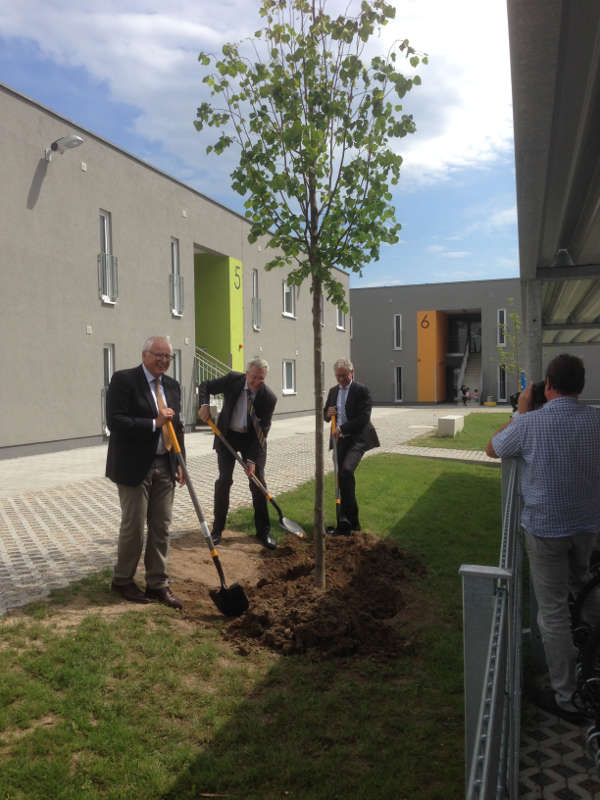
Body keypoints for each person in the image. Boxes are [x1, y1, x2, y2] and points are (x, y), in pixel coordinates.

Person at [486, 354, 600, 724]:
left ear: (548, 385)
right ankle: (592, 657)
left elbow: (493, 448)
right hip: (586, 526)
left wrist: (520, 411)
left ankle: (566, 696)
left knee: (552, 612)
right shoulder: (596, 418)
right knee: (582, 586)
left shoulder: (531, 423)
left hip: (546, 529)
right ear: (580, 385)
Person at [106, 336, 185, 608]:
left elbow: (178, 426)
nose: (163, 361)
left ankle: (157, 584)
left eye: (168, 357)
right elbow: (115, 422)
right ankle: (122, 580)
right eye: (158, 355)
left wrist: (180, 462)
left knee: (161, 527)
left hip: (165, 465)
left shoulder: (173, 386)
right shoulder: (124, 380)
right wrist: (154, 422)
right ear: (144, 355)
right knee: (134, 527)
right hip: (133, 466)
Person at [198, 357, 277, 549]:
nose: (257, 382)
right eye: (254, 378)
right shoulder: (233, 379)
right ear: (247, 373)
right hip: (228, 437)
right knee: (224, 480)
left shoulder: (268, 398)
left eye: (262, 379)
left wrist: (252, 459)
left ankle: (263, 532)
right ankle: (217, 530)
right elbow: (205, 385)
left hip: (253, 441)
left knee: (258, 483)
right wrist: (204, 405)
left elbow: (262, 432)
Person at [323, 358, 379, 533]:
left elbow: (363, 418)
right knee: (340, 477)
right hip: (340, 441)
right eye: (338, 376)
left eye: (344, 376)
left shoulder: (361, 390)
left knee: (346, 471)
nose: (340, 380)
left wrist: (341, 428)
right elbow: (326, 415)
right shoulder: (333, 391)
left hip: (357, 438)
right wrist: (328, 413)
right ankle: (344, 521)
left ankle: (352, 520)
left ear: (352, 373)